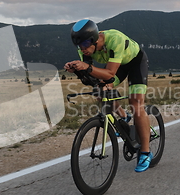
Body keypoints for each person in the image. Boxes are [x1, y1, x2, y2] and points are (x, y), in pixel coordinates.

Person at [64, 19, 152, 172]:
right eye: (79, 46)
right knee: (100, 90)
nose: (82, 49)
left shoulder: (114, 39)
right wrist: (78, 70)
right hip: (117, 65)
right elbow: (90, 79)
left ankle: (145, 152)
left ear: (94, 39)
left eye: (85, 44)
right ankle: (124, 117)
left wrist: (87, 66)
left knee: (136, 104)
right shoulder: (84, 49)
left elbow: (110, 73)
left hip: (135, 63)